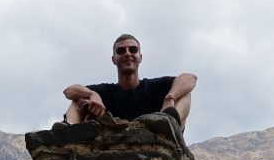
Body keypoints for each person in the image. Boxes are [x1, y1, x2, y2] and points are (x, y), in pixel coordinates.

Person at [63, 34, 196, 129]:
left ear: (140, 57)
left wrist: (170, 98)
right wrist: (92, 94)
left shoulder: (155, 87)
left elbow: (191, 78)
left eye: (133, 49)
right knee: (77, 100)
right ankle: (68, 132)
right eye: (121, 51)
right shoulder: (106, 92)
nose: (127, 53)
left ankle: (170, 126)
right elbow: (69, 91)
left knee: (184, 93)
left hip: (158, 136)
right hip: (114, 144)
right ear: (114, 59)